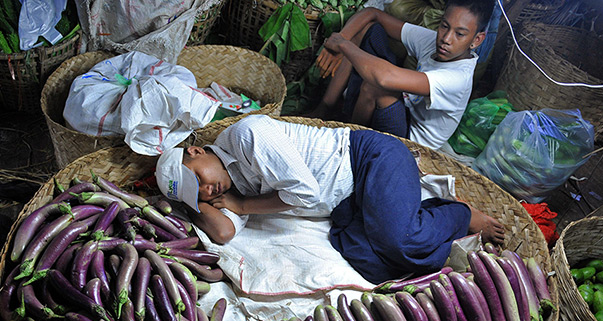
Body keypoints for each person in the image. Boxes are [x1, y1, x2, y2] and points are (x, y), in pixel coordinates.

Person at [156, 115, 504, 283]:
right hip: (348, 205)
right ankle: (422, 215)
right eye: (197, 193)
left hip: (369, 160)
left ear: (197, 150)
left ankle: (459, 213)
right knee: (374, 267)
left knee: (400, 242)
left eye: (198, 177)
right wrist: (194, 201)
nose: (208, 190)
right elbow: (223, 234)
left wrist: (244, 206)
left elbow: (305, 192)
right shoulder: (228, 189)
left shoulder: (248, 136)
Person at [308, 0, 495, 150]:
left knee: (377, 86)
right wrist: (341, 38)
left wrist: (342, 44)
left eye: (460, 34)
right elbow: (372, 14)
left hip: (410, 146)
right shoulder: (434, 41)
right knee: (370, 30)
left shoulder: (458, 79)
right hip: (403, 112)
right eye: (444, 26)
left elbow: (384, 78)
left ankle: (348, 143)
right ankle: (324, 108)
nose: (446, 39)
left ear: (476, 40)